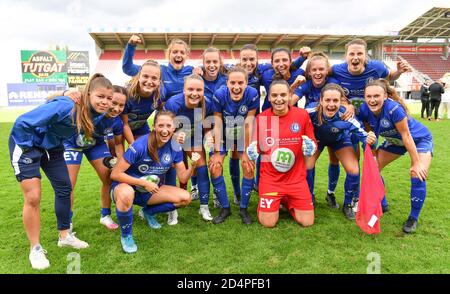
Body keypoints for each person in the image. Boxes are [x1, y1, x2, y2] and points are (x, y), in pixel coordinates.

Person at [8, 73, 112, 270]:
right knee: (33, 197)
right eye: (100, 97)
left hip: (53, 148)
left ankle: (65, 235)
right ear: (88, 93)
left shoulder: (97, 113)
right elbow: (22, 122)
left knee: (65, 189)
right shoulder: (67, 106)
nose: (105, 102)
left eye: (108, 98)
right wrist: (30, 148)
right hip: (27, 145)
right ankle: (35, 248)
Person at [111, 110, 197, 253]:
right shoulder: (140, 145)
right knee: (126, 193)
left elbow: (182, 178)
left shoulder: (175, 147)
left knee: (185, 198)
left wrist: (193, 165)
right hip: (125, 187)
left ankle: (148, 212)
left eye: (168, 126)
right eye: (161, 126)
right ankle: (126, 236)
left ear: (174, 128)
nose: (164, 130)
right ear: (154, 127)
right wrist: (143, 183)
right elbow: (115, 174)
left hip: (148, 191)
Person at [359, 79, 433, 233]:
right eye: (369, 96)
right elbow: (370, 135)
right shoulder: (364, 110)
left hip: (418, 139)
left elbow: (406, 136)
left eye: (376, 96)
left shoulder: (393, 109)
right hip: (395, 141)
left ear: (385, 96)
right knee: (374, 167)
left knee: (417, 174)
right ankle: (382, 203)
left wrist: (416, 162)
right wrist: (371, 149)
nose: (372, 100)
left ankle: (413, 217)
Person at [249, 79, 316, 228]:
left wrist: (311, 147)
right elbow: (255, 146)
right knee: (268, 223)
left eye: (283, 95)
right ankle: (277, 200)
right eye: (274, 95)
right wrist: (253, 149)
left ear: (289, 95)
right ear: (268, 98)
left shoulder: (302, 115)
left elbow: (311, 141)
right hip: (271, 180)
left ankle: (286, 200)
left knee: (307, 222)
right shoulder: (262, 118)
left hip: (296, 179)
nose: (279, 99)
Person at [304, 84, 376, 219]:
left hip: (339, 141)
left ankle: (347, 204)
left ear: (341, 101)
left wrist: (372, 139)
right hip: (317, 141)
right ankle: (309, 197)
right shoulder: (309, 111)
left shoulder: (346, 116)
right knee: (307, 166)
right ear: (321, 100)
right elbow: (295, 120)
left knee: (354, 170)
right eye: (327, 100)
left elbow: (365, 137)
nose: (331, 104)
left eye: (335, 101)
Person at [63, 85, 128, 231]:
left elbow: (117, 143)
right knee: (68, 185)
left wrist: (121, 161)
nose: (116, 108)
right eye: (114, 102)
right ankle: (67, 223)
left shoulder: (116, 122)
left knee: (108, 178)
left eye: (121, 105)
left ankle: (105, 215)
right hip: (72, 143)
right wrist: (66, 92)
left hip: (95, 145)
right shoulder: (89, 108)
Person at [290, 52, 344, 206]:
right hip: (315, 132)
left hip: (334, 129)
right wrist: (294, 86)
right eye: (314, 70)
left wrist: (349, 106)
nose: (318, 72)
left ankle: (330, 193)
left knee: (334, 160)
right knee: (309, 164)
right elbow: (288, 102)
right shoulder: (306, 85)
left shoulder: (333, 83)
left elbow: (344, 101)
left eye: (321, 69)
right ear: (309, 72)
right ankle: (310, 194)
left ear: (327, 70)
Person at [209, 66, 259, 225]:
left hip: (244, 133)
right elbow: (217, 123)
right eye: (233, 83)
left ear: (246, 83)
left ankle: (243, 209)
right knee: (215, 166)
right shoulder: (219, 94)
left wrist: (245, 151)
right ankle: (225, 208)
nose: (236, 87)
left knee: (248, 165)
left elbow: (249, 123)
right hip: (224, 134)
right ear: (227, 83)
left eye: (240, 83)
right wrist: (217, 151)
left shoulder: (252, 94)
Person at [164, 74, 215, 221]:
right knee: (177, 171)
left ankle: (204, 207)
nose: (194, 93)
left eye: (199, 90)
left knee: (201, 167)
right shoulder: (174, 104)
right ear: (184, 90)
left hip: (193, 139)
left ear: (203, 91)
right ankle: (173, 208)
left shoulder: (207, 103)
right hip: (173, 140)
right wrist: (174, 136)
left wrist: (209, 135)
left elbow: (206, 126)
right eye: (190, 89)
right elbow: (162, 128)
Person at [122, 34, 193, 99]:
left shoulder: (191, 71)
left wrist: (201, 69)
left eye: (182, 52)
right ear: (168, 54)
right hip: (163, 111)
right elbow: (128, 69)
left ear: (186, 56)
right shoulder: (159, 70)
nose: (178, 55)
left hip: (187, 111)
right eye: (175, 52)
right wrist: (130, 46)